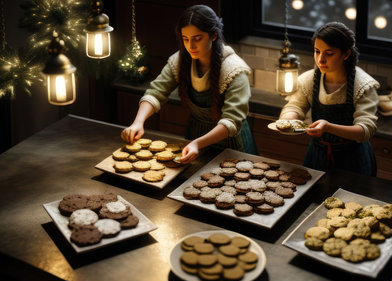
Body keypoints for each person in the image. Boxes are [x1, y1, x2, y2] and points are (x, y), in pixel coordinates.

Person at [121, 5, 256, 164]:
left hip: (231, 144)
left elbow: (231, 121)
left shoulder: (234, 70)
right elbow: (155, 93)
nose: (190, 46)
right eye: (186, 39)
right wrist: (138, 122)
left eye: (197, 38)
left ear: (213, 36)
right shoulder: (180, 61)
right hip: (194, 138)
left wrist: (197, 143)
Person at [279, 22, 379, 176]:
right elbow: (295, 107)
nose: (321, 59)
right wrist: (288, 120)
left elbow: (365, 130)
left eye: (329, 53)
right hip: (317, 155)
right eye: (317, 51)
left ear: (346, 54)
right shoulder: (309, 79)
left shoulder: (363, 85)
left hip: (353, 160)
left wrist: (328, 127)